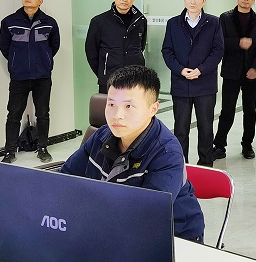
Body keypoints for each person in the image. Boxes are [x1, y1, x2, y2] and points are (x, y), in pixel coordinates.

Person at [60, 65, 205, 242]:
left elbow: (146, 216)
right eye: (111, 104)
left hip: (173, 237)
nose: (117, 115)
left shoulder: (167, 153)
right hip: (111, 228)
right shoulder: (101, 135)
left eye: (128, 106)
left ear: (153, 109)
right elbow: (64, 178)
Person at [161, 0, 224, 167]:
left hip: (205, 84)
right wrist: (181, 70)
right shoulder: (173, 23)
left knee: (206, 129)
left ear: (204, 0)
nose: (193, 1)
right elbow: (167, 51)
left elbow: (218, 51)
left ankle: (206, 165)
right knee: (181, 129)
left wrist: (201, 70)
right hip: (181, 85)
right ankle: (181, 166)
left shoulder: (214, 22)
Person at [0, 0, 60, 164]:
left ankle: (42, 148)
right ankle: (10, 151)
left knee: (43, 113)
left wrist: (44, 60)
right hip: (19, 76)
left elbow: (54, 46)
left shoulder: (50, 22)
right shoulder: (9, 21)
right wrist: (16, 61)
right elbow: (4, 46)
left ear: (41, 1)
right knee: (13, 114)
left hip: (42, 76)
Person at [212, 0, 256, 161]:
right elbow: (219, 43)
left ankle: (247, 145)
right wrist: (238, 43)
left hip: (252, 72)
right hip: (231, 72)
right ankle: (219, 145)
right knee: (227, 110)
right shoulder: (225, 18)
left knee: (250, 111)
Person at [85, 0, 147, 93]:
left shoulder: (140, 20)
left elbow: (140, 46)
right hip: (109, 79)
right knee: (110, 105)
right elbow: (91, 52)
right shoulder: (99, 21)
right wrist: (103, 73)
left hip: (135, 79)